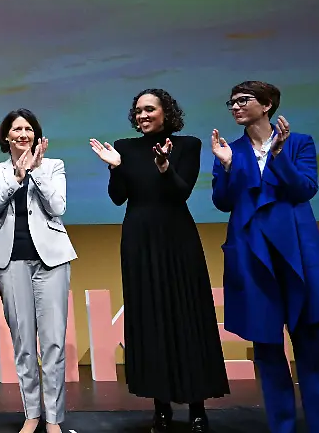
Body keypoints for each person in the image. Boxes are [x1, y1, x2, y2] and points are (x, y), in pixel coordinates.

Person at [89, 89, 229, 433]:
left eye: (149, 109)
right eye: (137, 111)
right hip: (139, 238)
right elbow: (118, 198)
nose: (142, 115)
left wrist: (165, 167)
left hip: (177, 236)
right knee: (150, 316)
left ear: (166, 112)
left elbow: (181, 192)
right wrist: (115, 169)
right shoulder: (124, 147)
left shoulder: (189, 145)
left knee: (187, 313)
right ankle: (161, 407)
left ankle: (197, 407)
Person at [211, 81, 319, 433]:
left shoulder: (299, 143)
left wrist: (280, 157)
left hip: (296, 250)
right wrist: (226, 167)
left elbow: (305, 189)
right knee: (266, 346)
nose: (235, 107)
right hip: (252, 252)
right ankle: (281, 426)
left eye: (243, 100)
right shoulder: (229, 149)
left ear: (266, 105)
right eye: (231, 102)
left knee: (310, 347)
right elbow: (223, 202)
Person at [0, 109, 76, 433]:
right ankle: (32, 414)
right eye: (16, 129)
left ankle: (53, 419)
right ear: (6, 136)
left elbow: (58, 207)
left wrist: (35, 172)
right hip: (11, 261)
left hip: (51, 260)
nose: (23, 134)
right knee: (23, 344)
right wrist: (17, 177)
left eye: (28, 129)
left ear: (36, 136)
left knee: (53, 343)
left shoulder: (53, 166)